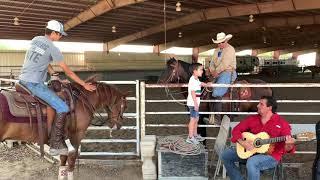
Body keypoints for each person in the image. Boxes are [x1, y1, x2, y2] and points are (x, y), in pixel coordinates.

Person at [18, 20, 96, 156]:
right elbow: (68, 72)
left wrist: (54, 75)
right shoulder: (53, 48)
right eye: (60, 34)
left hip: (23, 79)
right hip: (34, 83)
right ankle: (55, 143)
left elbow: (44, 60)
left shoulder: (36, 40)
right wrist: (84, 84)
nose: (60, 37)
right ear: (53, 33)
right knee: (63, 107)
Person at [221, 96, 295, 180]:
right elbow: (236, 130)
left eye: (261, 104)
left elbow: (288, 148)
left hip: (271, 156)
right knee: (225, 155)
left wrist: (289, 146)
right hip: (251, 151)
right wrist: (243, 142)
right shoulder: (253, 119)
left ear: (269, 108)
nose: (257, 106)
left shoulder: (282, 123)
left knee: (252, 162)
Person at [208, 32, 237, 125]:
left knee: (216, 93)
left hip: (228, 72)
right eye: (218, 43)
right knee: (206, 89)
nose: (220, 44)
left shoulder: (230, 49)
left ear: (226, 40)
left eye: (222, 42)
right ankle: (210, 114)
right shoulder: (216, 50)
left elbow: (225, 64)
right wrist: (212, 70)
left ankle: (218, 118)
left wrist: (216, 72)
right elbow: (212, 62)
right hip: (216, 73)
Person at [186, 63, 211, 144]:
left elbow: (200, 83)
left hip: (195, 103)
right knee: (193, 120)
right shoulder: (192, 80)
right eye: (200, 69)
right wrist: (196, 104)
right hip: (193, 103)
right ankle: (190, 137)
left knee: (196, 119)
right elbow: (193, 92)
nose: (202, 71)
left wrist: (206, 84)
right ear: (194, 71)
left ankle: (195, 135)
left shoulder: (196, 79)